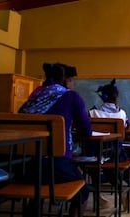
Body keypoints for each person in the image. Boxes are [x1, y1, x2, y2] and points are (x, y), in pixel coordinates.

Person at [18, 62, 92, 216]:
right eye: (72, 80)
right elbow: (86, 131)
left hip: (22, 166)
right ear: (66, 81)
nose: (73, 84)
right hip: (54, 165)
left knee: (39, 184)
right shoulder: (71, 96)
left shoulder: (34, 95)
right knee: (83, 190)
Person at [88, 79, 130, 208]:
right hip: (116, 154)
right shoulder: (122, 113)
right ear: (117, 97)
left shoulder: (92, 113)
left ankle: (98, 195)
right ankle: (120, 189)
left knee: (95, 162)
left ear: (102, 97)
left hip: (95, 153)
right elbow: (125, 130)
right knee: (110, 163)